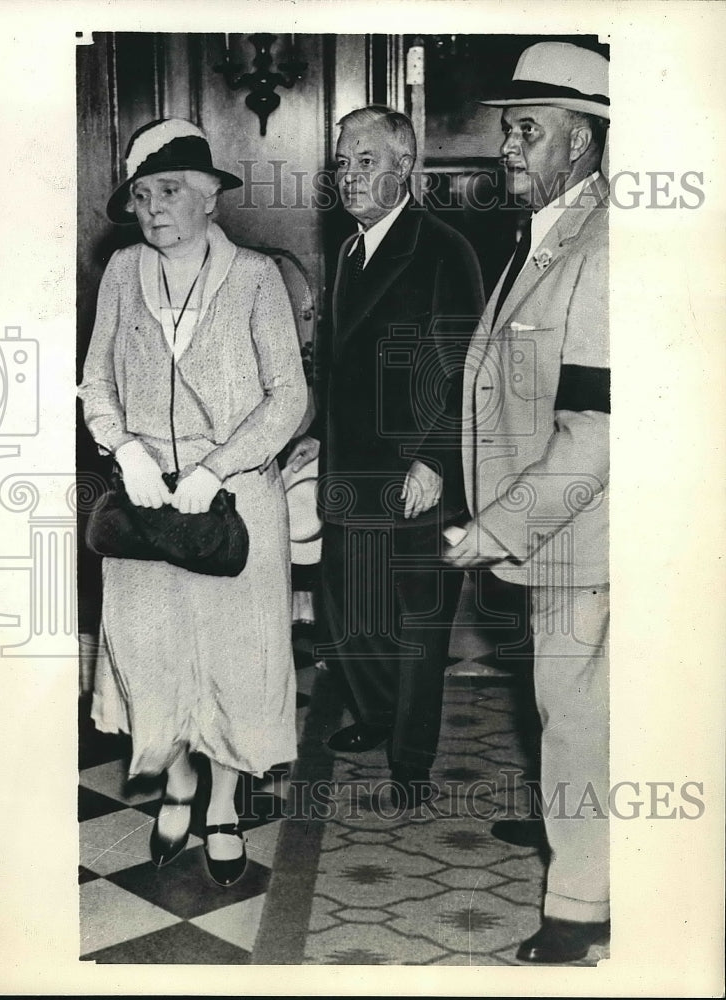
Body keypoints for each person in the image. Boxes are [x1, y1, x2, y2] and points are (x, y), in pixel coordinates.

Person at [79, 118, 307, 886]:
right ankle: (175, 775)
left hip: (233, 503)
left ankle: (221, 802)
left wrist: (215, 467)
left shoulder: (254, 277)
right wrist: (126, 450)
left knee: (234, 661)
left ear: (211, 198)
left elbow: (287, 397)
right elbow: (96, 384)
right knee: (151, 651)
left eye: (169, 190)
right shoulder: (120, 273)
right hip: (145, 505)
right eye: (141, 194)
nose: (152, 207)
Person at [445, 42, 610, 962]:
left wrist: (494, 528)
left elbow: (595, 427)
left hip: (585, 534)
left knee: (581, 717)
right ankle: (578, 851)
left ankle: (580, 908)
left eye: (526, 130)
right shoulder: (545, 234)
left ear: (579, 143)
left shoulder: (605, 243)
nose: (506, 147)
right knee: (565, 708)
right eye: (509, 129)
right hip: (555, 534)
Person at [288, 106, 485, 808]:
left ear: (405, 166)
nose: (349, 176)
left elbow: (460, 364)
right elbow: (337, 370)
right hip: (349, 467)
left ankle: (410, 759)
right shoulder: (346, 252)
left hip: (411, 473)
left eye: (365, 161)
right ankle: (374, 715)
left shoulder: (441, 248)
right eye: (343, 162)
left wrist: (434, 460)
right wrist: (315, 436)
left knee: (414, 622)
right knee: (350, 608)